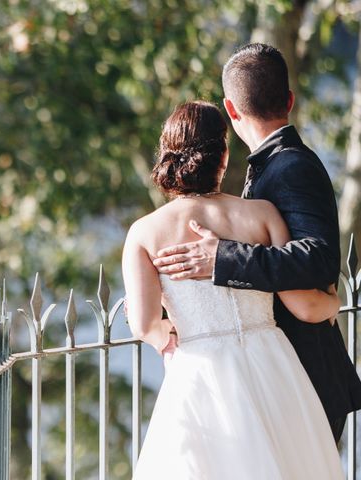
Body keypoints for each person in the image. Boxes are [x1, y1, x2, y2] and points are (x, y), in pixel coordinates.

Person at [123, 100, 344, 479]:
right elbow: (305, 307)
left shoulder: (144, 232)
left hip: (200, 373)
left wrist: (167, 334)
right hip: (273, 364)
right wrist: (334, 302)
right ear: (222, 157)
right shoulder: (262, 215)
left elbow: (143, 326)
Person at [152, 43, 361, 442]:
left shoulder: (291, 165)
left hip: (307, 379)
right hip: (277, 381)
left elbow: (317, 258)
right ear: (290, 100)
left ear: (231, 111)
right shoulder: (274, 163)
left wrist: (223, 257)